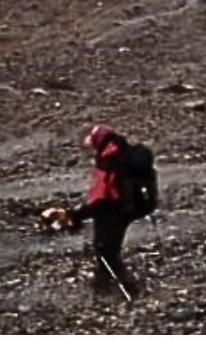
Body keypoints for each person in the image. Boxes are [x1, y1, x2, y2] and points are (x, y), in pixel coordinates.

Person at [47, 125, 152, 299]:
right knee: (110, 247)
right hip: (133, 207)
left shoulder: (108, 163)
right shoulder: (126, 153)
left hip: (114, 209)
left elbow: (99, 199)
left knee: (104, 249)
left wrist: (76, 216)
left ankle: (128, 290)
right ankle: (103, 283)